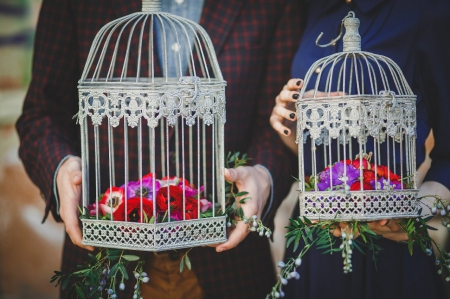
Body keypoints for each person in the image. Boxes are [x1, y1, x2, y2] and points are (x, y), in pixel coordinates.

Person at [16, 0, 303, 298]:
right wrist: (62, 168)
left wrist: (263, 176)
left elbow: (280, 121)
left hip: (229, 258)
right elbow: (41, 114)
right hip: (106, 262)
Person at [270, 0, 450, 298]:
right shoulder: (308, 8)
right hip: (313, 239)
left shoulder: (428, 11)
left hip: (390, 247)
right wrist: (286, 118)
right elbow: (301, 151)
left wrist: (414, 212)